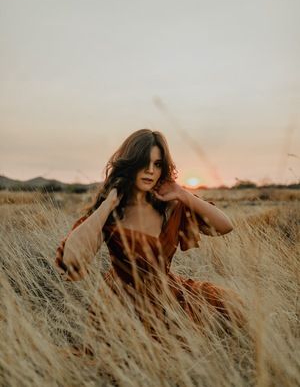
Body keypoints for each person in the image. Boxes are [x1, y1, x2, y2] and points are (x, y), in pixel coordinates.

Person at [55, 129, 244, 335]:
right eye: (144, 163)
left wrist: (181, 193)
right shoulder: (111, 213)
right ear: (130, 164)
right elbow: (72, 258)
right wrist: (107, 204)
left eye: (157, 164)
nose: (150, 170)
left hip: (167, 292)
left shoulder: (170, 206)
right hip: (121, 300)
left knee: (232, 305)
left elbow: (225, 226)